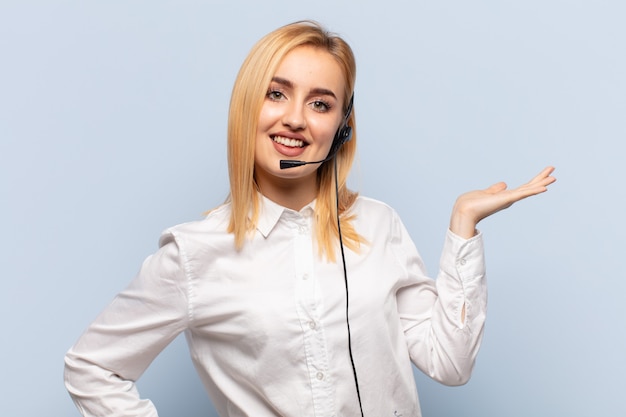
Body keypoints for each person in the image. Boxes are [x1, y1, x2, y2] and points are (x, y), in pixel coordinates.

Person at [64, 20, 556, 417]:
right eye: (276, 94)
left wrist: (463, 226)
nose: (296, 119)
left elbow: (449, 363)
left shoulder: (379, 225)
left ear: (342, 128)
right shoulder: (195, 253)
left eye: (320, 104)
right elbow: (91, 367)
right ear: (247, 107)